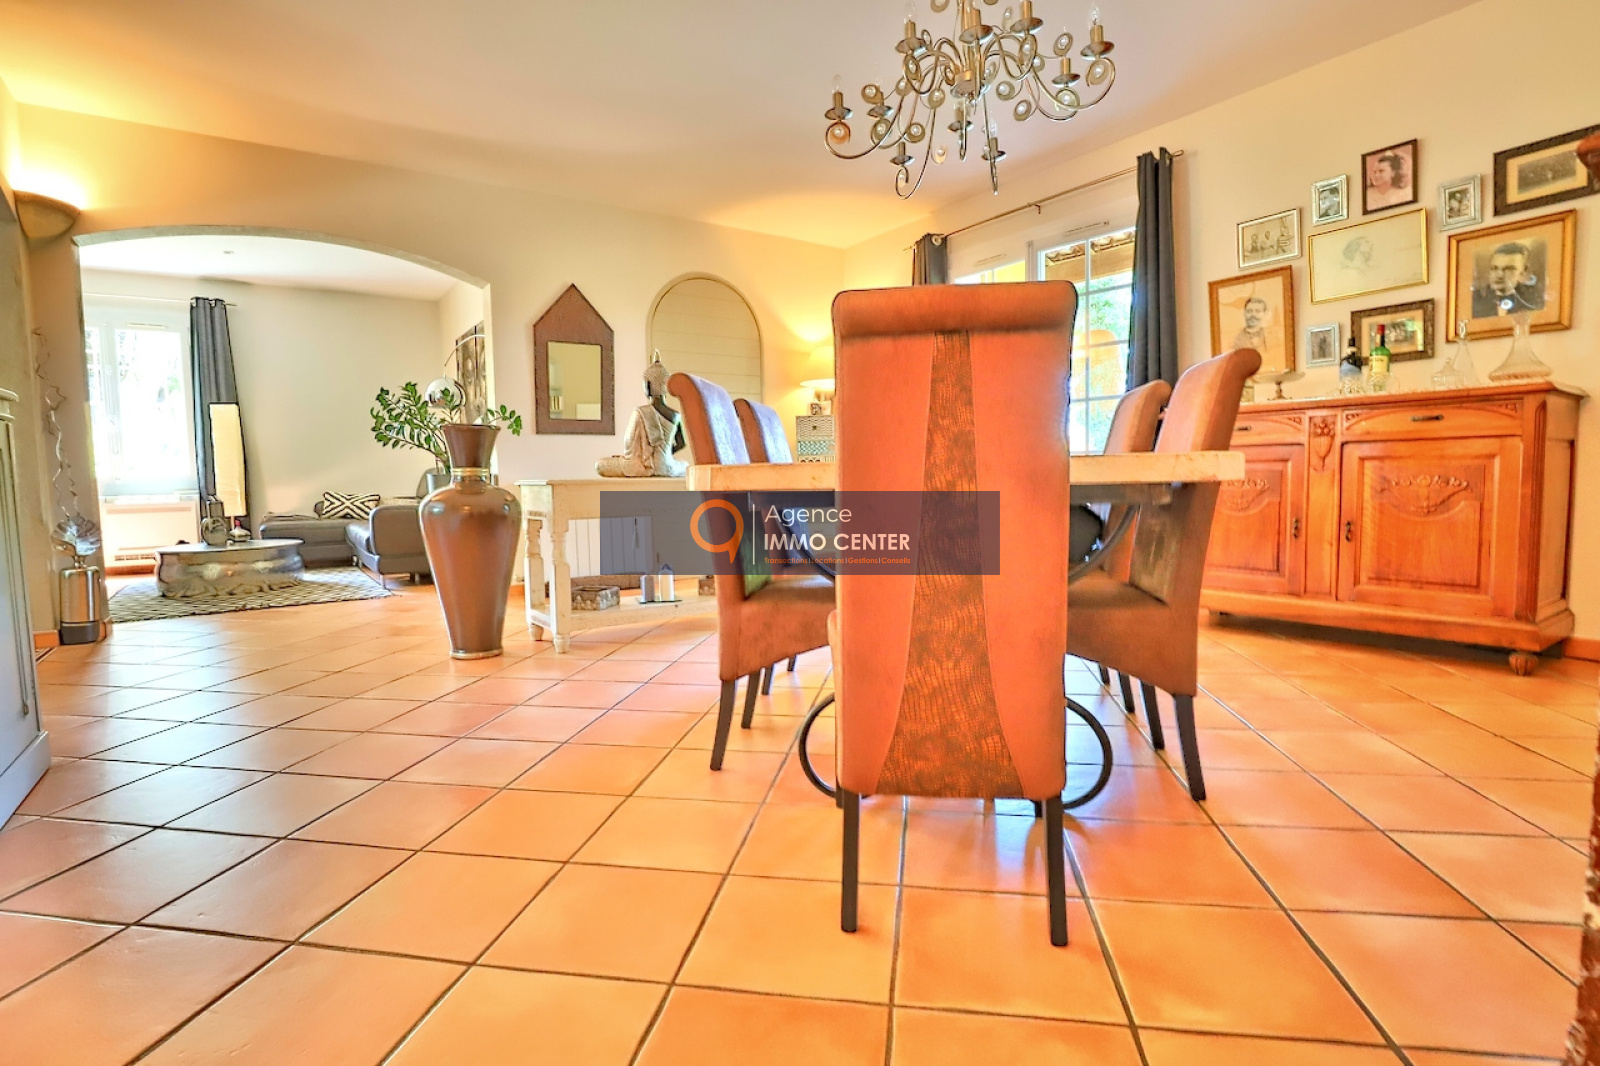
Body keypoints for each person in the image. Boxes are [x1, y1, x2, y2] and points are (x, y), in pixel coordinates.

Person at [596, 351, 689, 477]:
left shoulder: (639, 412)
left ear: (647, 385)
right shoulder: (675, 415)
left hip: (641, 466)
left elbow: (629, 442)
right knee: (685, 465)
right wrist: (663, 456)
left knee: (600, 465)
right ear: (666, 387)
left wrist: (627, 458)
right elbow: (681, 443)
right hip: (667, 467)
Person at [1471, 241, 1545, 317]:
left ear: (1523, 270)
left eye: (1509, 269)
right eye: (1494, 268)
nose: (1499, 275)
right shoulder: (1475, 300)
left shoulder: (1535, 299)